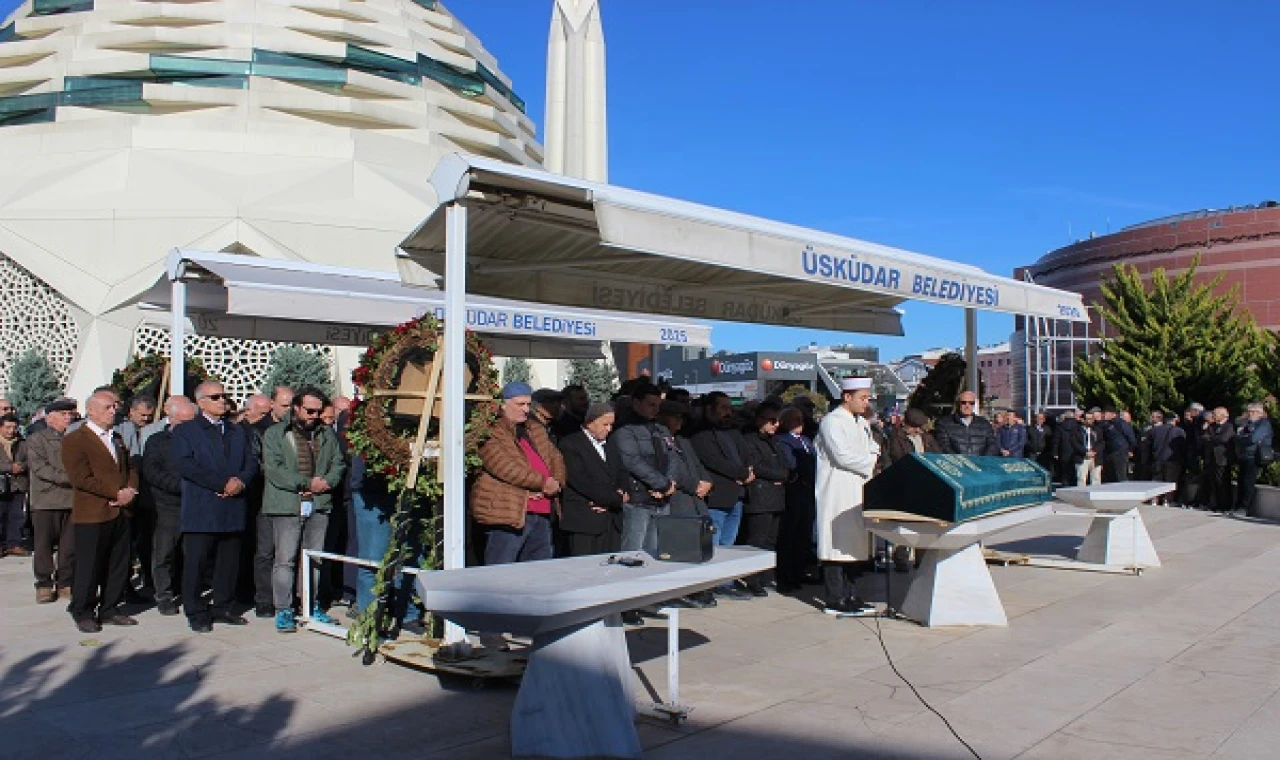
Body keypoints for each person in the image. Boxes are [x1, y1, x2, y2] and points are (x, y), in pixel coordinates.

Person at [171, 381, 259, 633]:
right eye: (215, 396)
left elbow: (251, 461)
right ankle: (196, 610)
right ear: (200, 402)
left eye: (224, 396)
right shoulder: (186, 431)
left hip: (232, 506)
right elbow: (185, 465)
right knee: (197, 562)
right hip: (203, 505)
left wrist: (240, 481)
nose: (222, 400)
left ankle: (223, 606)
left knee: (228, 562)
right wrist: (221, 484)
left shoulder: (237, 431)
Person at [261, 386, 346, 633]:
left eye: (318, 411)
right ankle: (284, 609)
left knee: (315, 558)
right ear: (296, 408)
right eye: (309, 410)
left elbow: (338, 462)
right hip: (288, 503)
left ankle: (312, 605)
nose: (314, 416)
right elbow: (275, 469)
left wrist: (327, 481)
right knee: (285, 559)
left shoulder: (326, 434)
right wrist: (306, 483)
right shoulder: (275, 433)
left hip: (319, 503)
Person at [62, 390, 139, 633]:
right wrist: (115, 493)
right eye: (107, 407)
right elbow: (81, 478)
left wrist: (130, 490)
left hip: (121, 511)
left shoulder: (116, 438)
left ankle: (110, 608)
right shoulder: (76, 439)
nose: (113, 410)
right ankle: (82, 610)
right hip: (93, 513)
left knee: (118, 563)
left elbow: (130, 468)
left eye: (115, 406)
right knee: (89, 565)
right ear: (91, 410)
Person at [471, 382, 566, 565]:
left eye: (528, 404)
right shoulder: (491, 430)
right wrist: (542, 482)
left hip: (542, 510)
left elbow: (556, 457)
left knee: (538, 572)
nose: (526, 409)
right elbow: (504, 466)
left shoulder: (534, 428)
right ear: (503, 404)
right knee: (501, 572)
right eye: (520, 404)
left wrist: (557, 482)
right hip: (508, 512)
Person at [815, 377, 879, 617]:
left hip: (857, 489)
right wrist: (870, 460)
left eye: (867, 397)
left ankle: (851, 594)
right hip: (837, 491)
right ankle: (835, 598)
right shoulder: (832, 422)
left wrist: (870, 457)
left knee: (855, 546)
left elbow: (874, 447)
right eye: (862, 397)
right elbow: (842, 456)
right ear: (847, 396)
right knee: (836, 545)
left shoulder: (861, 422)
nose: (866, 402)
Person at [690, 391, 753, 601]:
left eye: (729, 407)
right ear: (710, 409)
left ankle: (724, 581)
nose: (728, 412)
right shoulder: (701, 434)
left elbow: (745, 455)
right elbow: (713, 461)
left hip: (736, 494)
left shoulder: (732, 432)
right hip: (718, 495)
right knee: (713, 542)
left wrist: (747, 471)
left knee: (729, 542)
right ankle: (709, 584)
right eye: (723, 407)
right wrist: (742, 473)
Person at [142, 398, 197, 615]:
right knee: (164, 553)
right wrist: (179, 486)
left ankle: (188, 591)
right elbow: (152, 471)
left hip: (193, 503)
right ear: (171, 419)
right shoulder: (157, 441)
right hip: (166, 504)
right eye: (183, 421)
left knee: (191, 553)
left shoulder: (197, 440)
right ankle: (163, 595)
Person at [611, 383, 675, 558]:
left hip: (662, 501)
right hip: (638, 499)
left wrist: (668, 485)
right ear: (637, 403)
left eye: (658, 405)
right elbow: (632, 461)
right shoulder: (625, 431)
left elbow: (672, 457)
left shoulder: (661, 430)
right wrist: (661, 484)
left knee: (656, 554)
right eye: (651, 404)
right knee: (632, 554)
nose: (655, 410)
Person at [24, 397, 77, 602]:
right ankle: (44, 583)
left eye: (70, 415)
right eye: (63, 415)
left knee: (69, 545)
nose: (68, 418)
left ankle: (65, 581)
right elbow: (40, 468)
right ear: (50, 418)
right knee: (44, 545)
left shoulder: (74, 438)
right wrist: (72, 478)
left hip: (72, 500)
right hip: (46, 499)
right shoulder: (37, 439)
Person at [557, 402, 626, 557]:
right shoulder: (571, 444)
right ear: (590, 422)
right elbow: (580, 479)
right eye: (605, 424)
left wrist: (619, 495)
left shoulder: (610, 444)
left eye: (611, 424)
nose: (609, 429)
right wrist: (612, 499)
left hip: (611, 520)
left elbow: (622, 472)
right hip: (585, 520)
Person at [740, 403, 790, 596]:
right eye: (771, 420)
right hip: (760, 497)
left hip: (776, 498)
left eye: (778, 421)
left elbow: (784, 464)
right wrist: (778, 476)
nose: (776, 424)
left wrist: (783, 475)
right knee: (757, 540)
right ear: (759, 420)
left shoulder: (775, 441)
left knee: (771, 540)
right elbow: (757, 466)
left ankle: (766, 576)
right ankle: (752, 578)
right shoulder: (750, 440)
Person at [775, 406, 817, 592]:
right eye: (794, 419)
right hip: (794, 492)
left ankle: (800, 572)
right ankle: (786, 576)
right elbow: (791, 464)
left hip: (809, 493)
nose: (799, 423)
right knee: (790, 536)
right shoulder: (783, 441)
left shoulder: (806, 441)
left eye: (801, 419)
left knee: (804, 535)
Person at [1234, 403, 1273, 516]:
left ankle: (1244, 507)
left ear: (1260, 413)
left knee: (1248, 483)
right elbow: (1238, 436)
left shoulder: (1264, 424)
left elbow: (1254, 439)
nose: (1250, 414)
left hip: (1254, 456)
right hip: (1244, 455)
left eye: (1252, 412)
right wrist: (1244, 437)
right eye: (1249, 411)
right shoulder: (1248, 424)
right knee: (1241, 482)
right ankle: (1237, 506)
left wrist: (1244, 438)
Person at [933, 391, 1000, 456]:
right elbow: (944, 447)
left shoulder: (984, 423)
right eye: (963, 402)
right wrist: (961, 462)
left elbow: (992, 445)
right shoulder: (944, 424)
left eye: (971, 403)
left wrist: (982, 461)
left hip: (980, 465)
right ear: (958, 404)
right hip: (957, 465)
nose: (967, 406)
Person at [0, 414, 29, 557]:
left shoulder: (22, 443)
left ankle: (14, 543)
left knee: (17, 516)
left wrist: (22, 467)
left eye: (14, 427)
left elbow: (31, 459)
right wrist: (9, 468)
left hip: (18, 484)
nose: (11, 431)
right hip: (2, 485)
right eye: (7, 427)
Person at [1197, 407, 1235, 512]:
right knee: (1213, 482)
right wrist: (1208, 435)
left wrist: (1211, 438)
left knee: (1222, 482)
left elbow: (1223, 439)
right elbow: (1204, 438)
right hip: (1211, 458)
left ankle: (1225, 505)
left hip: (1222, 458)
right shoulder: (1212, 426)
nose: (1213, 416)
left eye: (1215, 414)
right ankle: (1216, 504)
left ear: (1222, 415)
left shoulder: (1229, 426)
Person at [1143, 411, 1186, 506]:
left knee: (1156, 481)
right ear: (1174, 420)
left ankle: (1154, 500)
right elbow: (1182, 447)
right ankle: (1167, 500)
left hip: (1157, 459)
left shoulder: (1154, 430)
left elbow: (1148, 446)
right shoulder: (1179, 431)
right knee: (1170, 481)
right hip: (1173, 460)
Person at [1101, 407, 1137, 482]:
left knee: (1120, 474)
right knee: (1112, 475)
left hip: (1120, 452)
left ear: (1113, 414)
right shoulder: (1107, 424)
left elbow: (1131, 438)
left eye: (1106, 413)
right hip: (1111, 452)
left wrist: (1130, 449)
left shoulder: (1121, 423)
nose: (1104, 415)